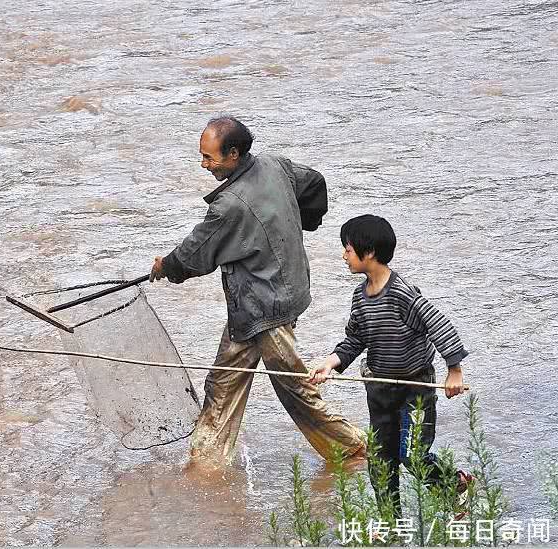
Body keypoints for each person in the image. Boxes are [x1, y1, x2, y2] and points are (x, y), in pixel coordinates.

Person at [149, 115, 366, 465]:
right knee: (222, 384)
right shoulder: (275, 164)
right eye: (201, 156)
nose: (204, 165)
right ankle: (206, 461)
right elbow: (314, 184)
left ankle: (354, 448)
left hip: (267, 308)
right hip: (262, 301)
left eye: (210, 158)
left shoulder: (229, 205)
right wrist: (302, 221)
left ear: (234, 154)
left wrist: (167, 267)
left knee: (295, 390)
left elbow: (196, 253)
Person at [309, 214, 472, 512]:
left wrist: (454, 370)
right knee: (381, 461)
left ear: (368, 252)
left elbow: (439, 324)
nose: (344, 255)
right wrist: (331, 362)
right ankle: (390, 525)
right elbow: (355, 339)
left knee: (412, 454)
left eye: (347, 248)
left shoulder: (402, 293)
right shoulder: (360, 297)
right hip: (380, 390)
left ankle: (454, 486)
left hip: (415, 390)